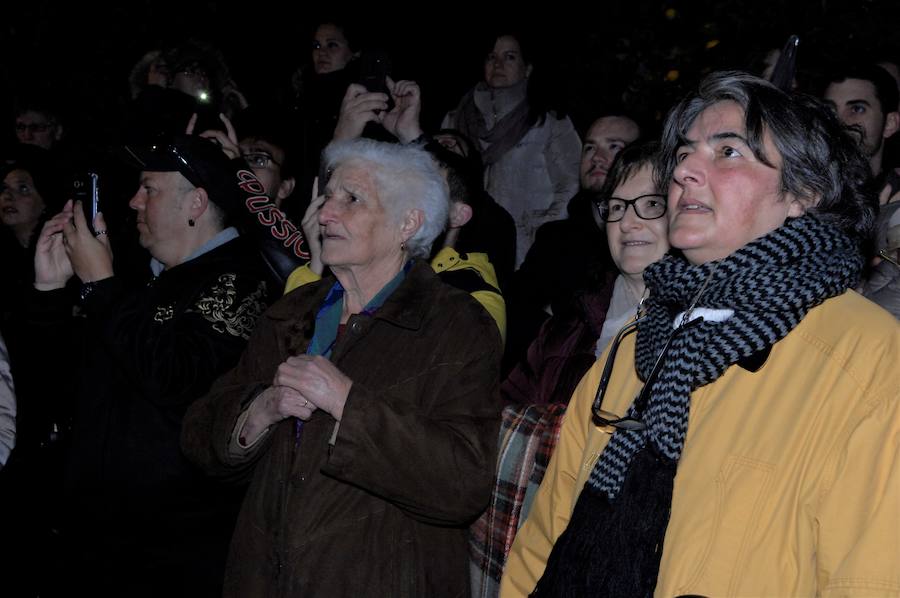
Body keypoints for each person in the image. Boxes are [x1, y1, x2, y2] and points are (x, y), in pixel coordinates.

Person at [502, 71, 900, 596]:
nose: (685, 169)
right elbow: (545, 540)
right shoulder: (638, 345)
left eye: (728, 151)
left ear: (803, 191)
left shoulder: (867, 357)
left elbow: (869, 578)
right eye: (685, 152)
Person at [181, 138, 503, 596]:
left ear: (407, 223)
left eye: (351, 199)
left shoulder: (456, 326)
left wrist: (346, 403)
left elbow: (463, 483)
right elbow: (198, 436)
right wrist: (262, 409)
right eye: (327, 197)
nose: (325, 214)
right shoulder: (292, 313)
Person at [27, 134, 274, 596]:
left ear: (196, 203)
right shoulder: (140, 285)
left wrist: (102, 284)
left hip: (175, 556)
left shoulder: (244, 281)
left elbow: (177, 382)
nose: (133, 201)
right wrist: (49, 293)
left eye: (149, 189)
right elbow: (58, 391)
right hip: (97, 545)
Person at [470, 142, 667, 598]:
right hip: (531, 544)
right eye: (616, 206)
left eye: (650, 205)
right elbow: (497, 421)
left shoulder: (702, 334)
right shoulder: (567, 327)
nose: (629, 221)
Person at [505, 114, 640, 372]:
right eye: (589, 147)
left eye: (614, 147)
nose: (596, 157)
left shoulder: (657, 238)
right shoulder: (556, 239)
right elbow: (517, 306)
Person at [442, 29, 581, 266]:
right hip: (464, 244)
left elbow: (571, 183)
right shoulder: (457, 119)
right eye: (491, 57)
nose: (498, 64)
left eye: (510, 57)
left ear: (527, 68)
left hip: (525, 250)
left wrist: (542, 232)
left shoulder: (548, 122)